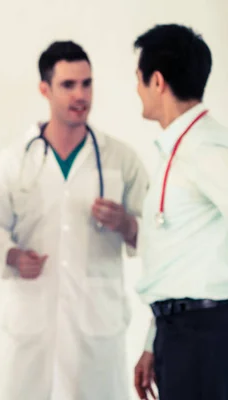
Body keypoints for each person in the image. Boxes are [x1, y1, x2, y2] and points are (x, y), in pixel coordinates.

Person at [0, 41, 149, 400]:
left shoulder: (121, 158)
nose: (81, 94)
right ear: (45, 89)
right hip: (33, 326)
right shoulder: (15, 159)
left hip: (96, 327)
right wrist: (12, 255)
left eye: (86, 83)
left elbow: (151, 234)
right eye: (68, 85)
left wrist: (124, 222)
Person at [132, 24, 228, 400]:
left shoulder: (204, 149)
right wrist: (153, 340)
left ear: (156, 81)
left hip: (203, 336)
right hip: (180, 332)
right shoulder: (177, 149)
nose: (136, 90)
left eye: (138, 80)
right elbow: (177, 260)